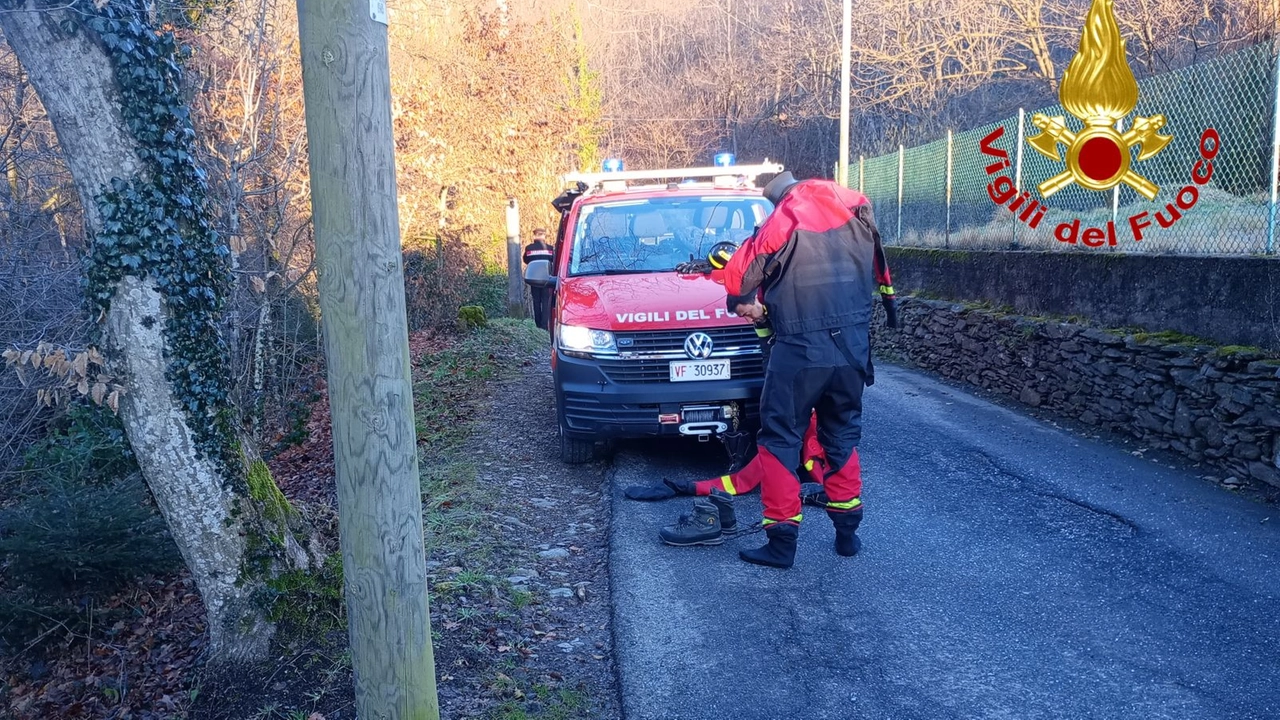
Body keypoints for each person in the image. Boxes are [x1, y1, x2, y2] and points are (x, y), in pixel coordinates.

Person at [713, 170, 898, 569]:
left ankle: (781, 544)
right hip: (851, 347)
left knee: (780, 438)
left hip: (799, 350)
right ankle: (847, 534)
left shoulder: (785, 216)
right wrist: (890, 303)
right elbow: (881, 265)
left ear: (776, 197)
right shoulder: (857, 204)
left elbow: (738, 276)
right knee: (842, 433)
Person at [523, 228, 554, 329]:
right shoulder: (550, 249)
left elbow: (526, 260)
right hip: (546, 279)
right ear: (544, 236)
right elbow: (553, 261)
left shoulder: (529, 249)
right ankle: (545, 325)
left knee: (536, 301)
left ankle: (538, 325)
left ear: (534, 236)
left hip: (534, 279)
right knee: (545, 301)